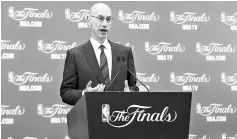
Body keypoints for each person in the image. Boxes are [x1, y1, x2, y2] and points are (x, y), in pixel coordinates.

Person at [60, 3, 139, 105]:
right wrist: (85, 94)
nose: (105, 24)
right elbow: (66, 93)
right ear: (89, 20)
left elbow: (133, 86)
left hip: (120, 116)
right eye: (100, 18)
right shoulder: (75, 54)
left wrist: (130, 93)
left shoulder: (125, 52)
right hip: (90, 117)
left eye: (109, 19)